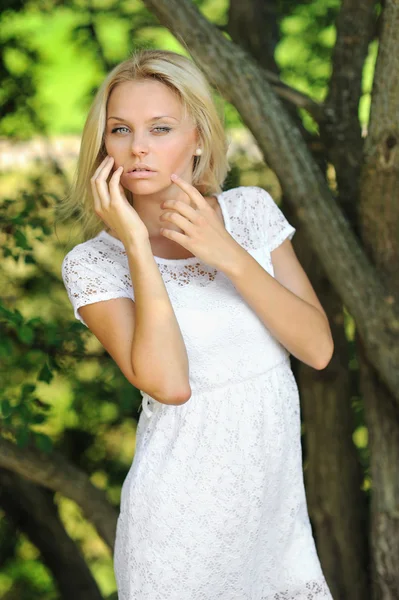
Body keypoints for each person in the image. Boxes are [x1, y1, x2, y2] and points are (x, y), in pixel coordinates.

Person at [60, 48, 334, 599]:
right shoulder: (93, 265)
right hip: (178, 534)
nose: (138, 147)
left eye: (160, 128)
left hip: (274, 529)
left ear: (199, 138)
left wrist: (227, 252)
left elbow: (318, 348)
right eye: (120, 129)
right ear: (104, 143)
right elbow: (170, 384)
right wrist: (137, 243)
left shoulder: (251, 213)